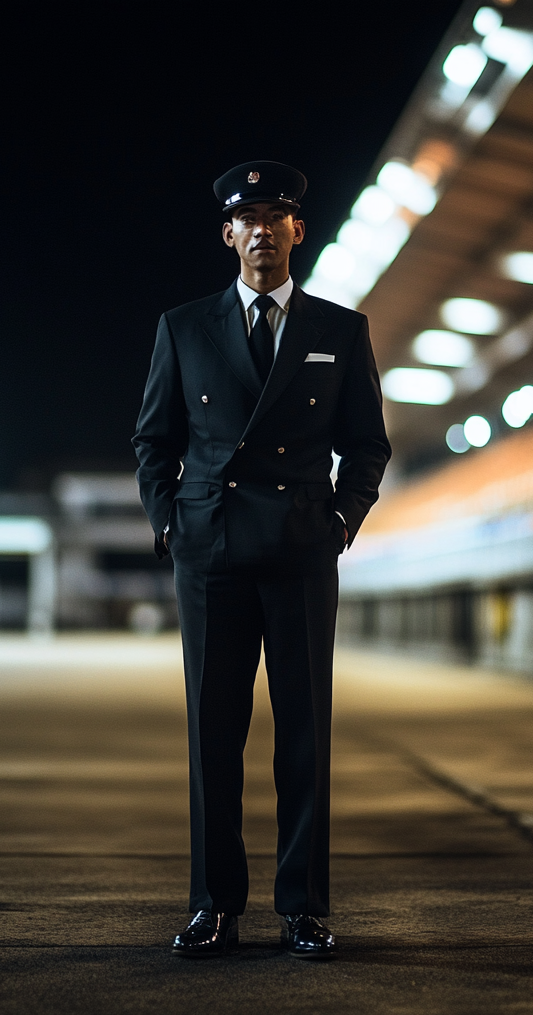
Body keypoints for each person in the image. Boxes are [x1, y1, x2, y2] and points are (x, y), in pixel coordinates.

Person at [133, 160, 390, 959]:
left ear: (297, 233)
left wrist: (339, 522)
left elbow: (367, 446)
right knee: (214, 736)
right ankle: (214, 906)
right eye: (250, 219)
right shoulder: (183, 327)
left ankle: (303, 908)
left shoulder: (339, 331)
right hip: (210, 552)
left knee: (304, 734)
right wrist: (173, 526)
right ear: (228, 235)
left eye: (278, 217)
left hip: (300, 553)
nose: (264, 232)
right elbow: (154, 441)